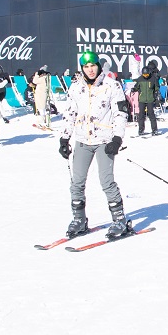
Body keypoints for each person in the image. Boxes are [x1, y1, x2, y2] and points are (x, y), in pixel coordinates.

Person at [58, 51, 129, 239]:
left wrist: (117, 139)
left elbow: (120, 113)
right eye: (86, 67)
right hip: (82, 139)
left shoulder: (111, 85)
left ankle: (119, 220)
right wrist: (64, 138)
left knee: (106, 181)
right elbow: (70, 113)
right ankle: (79, 220)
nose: (90, 70)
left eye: (93, 66)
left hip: (105, 141)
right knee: (76, 183)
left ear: (98, 65)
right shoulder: (75, 87)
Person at [135, 63, 160, 136]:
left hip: (150, 99)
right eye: (144, 75)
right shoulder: (140, 79)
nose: (145, 76)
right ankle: (141, 129)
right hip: (142, 99)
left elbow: (157, 87)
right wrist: (134, 89)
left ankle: (154, 130)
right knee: (141, 115)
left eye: (146, 75)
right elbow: (137, 87)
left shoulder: (153, 79)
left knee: (151, 115)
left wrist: (156, 93)